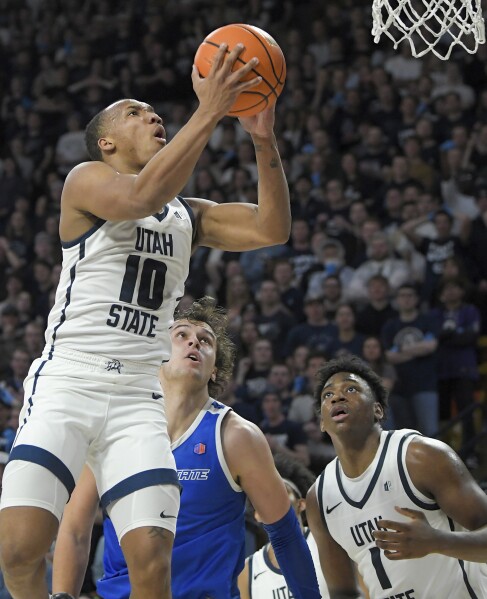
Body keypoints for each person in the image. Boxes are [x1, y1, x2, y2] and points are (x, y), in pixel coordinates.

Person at [0, 43, 292, 599]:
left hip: (138, 394)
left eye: (153, 110)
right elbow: (138, 197)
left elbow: (271, 229)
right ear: (106, 141)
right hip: (69, 379)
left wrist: (261, 137)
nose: (153, 115)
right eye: (135, 112)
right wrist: (208, 110)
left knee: (152, 562)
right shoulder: (86, 180)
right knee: (19, 548)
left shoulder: (187, 212)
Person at [52, 298, 321, 599]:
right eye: (181, 335)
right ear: (158, 354)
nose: (194, 341)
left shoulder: (236, 435)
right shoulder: (113, 427)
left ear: (215, 371)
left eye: (206, 341)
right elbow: (75, 529)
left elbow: (285, 534)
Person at [306, 355, 487, 599]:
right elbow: (343, 593)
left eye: (351, 389)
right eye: (327, 395)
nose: (337, 396)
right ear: (322, 423)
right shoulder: (320, 498)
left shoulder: (420, 456)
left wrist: (438, 541)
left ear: (377, 409)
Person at [238, 453, 329, 599]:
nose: (274, 499)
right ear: (257, 515)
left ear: (301, 504)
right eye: (266, 496)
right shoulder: (247, 571)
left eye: (283, 492)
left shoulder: (328, 542)